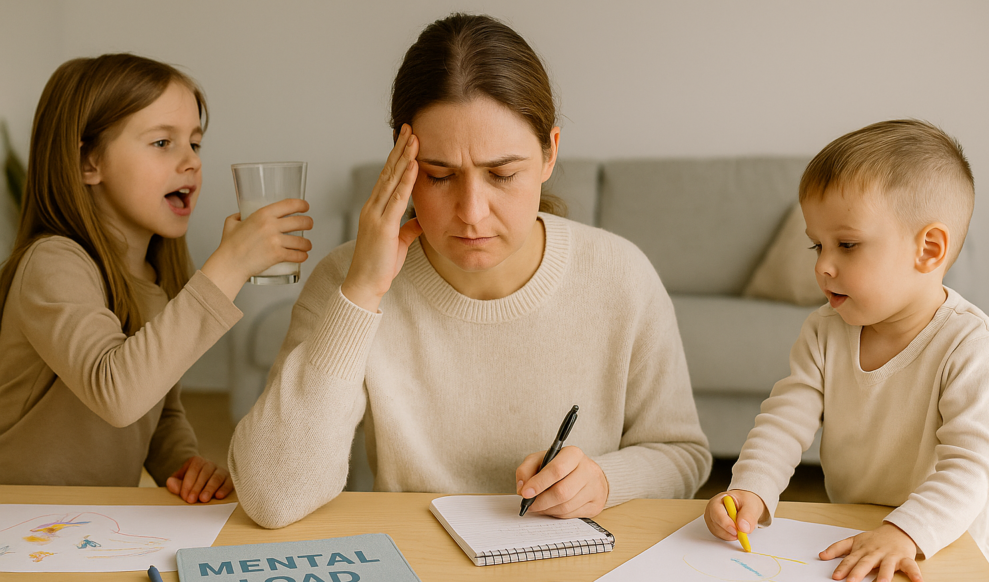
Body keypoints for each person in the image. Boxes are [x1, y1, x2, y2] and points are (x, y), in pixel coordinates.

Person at [229, 13, 711, 529]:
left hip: (571, 561)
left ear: (550, 154)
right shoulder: (347, 280)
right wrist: (361, 294)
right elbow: (271, 497)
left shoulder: (621, 276)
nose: (472, 212)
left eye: (502, 174)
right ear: (402, 163)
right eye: (439, 177)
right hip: (414, 562)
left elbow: (682, 453)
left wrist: (605, 482)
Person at [704, 120, 989, 582]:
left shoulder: (972, 345)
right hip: (862, 525)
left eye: (847, 245)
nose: (823, 265)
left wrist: (905, 531)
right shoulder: (823, 331)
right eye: (818, 245)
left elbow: (973, 467)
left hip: (952, 537)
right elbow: (784, 423)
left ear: (928, 249)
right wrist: (751, 488)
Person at [0, 53, 313, 502]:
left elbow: (157, 408)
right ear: (89, 162)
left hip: (93, 522)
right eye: (163, 143)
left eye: (195, 143)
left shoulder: (152, 274)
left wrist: (182, 462)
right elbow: (118, 393)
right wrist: (229, 266)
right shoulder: (52, 263)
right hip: (19, 524)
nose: (191, 162)